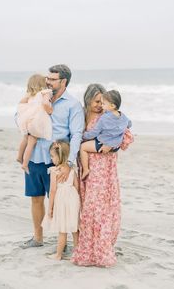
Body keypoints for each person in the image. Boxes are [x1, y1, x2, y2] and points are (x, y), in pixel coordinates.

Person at [20, 64, 84, 249]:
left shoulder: (73, 104)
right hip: (34, 156)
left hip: (57, 161)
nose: (47, 81)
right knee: (36, 198)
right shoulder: (38, 97)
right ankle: (37, 238)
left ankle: (60, 243)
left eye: (52, 79)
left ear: (63, 81)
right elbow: (21, 115)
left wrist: (69, 163)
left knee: (57, 201)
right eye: (47, 78)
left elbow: (76, 135)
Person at [71, 84, 133, 267]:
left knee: (101, 208)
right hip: (86, 168)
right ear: (88, 99)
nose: (99, 105)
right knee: (88, 208)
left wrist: (112, 145)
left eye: (102, 102)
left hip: (105, 169)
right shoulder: (80, 116)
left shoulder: (107, 117)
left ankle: (101, 250)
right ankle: (87, 249)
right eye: (96, 101)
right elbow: (74, 137)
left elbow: (127, 136)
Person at [80, 89, 132, 179]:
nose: (101, 105)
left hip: (102, 144)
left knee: (83, 147)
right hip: (115, 147)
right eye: (98, 102)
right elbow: (129, 124)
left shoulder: (104, 118)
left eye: (103, 103)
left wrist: (83, 135)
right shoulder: (122, 116)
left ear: (112, 106)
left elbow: (94, 133)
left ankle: (85, 169)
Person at [42, 140, 80, 260]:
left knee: (62, 229)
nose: (51, 159)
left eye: (52, 156)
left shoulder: (54, 171)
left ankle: (58, 255)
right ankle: (78, 254)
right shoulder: (72, 169)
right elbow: (77, 187)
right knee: (75, 228)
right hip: (73, 198)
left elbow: (52, 190)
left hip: (61, 199)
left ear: (59, 156)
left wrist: (50, 207)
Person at [16, 74, 53, 174]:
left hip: (27, 120)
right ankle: (24, 164)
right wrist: (49, 110)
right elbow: (45, 103)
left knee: (25, 138)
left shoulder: (30, 96)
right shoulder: (45, 92)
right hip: (36, 122)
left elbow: (21, 104)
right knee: (32, 142)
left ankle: (19, 157)